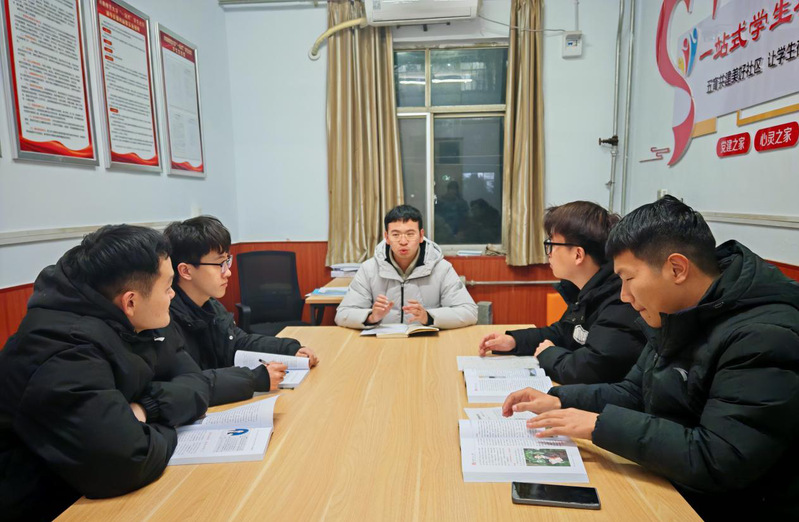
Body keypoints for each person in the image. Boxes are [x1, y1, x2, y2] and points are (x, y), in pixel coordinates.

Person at [502, 196, 799, 520]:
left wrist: (600, 425)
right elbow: (634, 391)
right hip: (670, 482)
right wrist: (559, 400)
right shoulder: (676, 312)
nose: (624, 295)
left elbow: (718, 458)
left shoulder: (764, 335)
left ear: (677, 268)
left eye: (629, 279)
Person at [0, 225, 211, 521]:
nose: (173, 295)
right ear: (131, 301)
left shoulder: (126, 322)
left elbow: (195, 380)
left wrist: (145, 410)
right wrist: (160, 425)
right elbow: (127, 460)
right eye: (167, 288)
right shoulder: (62, 350)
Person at [478, 201, 646, 384]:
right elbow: (562, 333)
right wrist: (514, 341)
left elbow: (591, 369)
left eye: (552, 244)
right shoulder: (587, 290)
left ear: (578, 255)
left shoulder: (620, 300)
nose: (549, 253)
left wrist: (548, 355)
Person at [163, 216, 318, 405]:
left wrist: (289, 349)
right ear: (186, 271)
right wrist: (255, 379)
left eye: (227, 261)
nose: (227, 272)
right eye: (219, 264)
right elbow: (190, 383)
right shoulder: (164, 319)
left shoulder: (210, 305)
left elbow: (238, 342)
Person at [335, 204, 478, 329]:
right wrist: (371, 317)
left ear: (421, 235)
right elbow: (342, 314)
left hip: (426, 343)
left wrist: (428, 317)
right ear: (387, 237)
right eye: (395, 234)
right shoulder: (369, 269)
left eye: (410, 234)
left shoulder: (441, 268)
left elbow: (469, 312)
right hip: (383, 343)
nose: (403, 241)